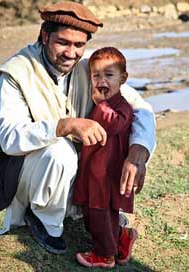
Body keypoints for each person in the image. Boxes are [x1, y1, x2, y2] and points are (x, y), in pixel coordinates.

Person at [0, 1, 155, 255]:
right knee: (61, 151)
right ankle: (45, 222)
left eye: (79, 45)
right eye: (63, 42)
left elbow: (140, 108)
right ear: (45, 36)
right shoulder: (15, 74)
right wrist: (64, 126)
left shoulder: (89, 69)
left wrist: (138, 154)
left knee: (117, 140)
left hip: (75, 172)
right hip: (25, 171)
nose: (71, 53)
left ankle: (80, 212)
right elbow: (10, 139)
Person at [73, 47, 138, 268]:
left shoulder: (122, 106)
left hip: (107, 173)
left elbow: (114, 124)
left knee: (99, 213)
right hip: (94, 169)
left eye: (109, 75)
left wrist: (100, 103)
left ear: (123, 78)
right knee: (92, 213)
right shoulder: (103, 103)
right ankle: (122, 237)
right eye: (96, 75)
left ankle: (105, 255)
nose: (102, 81)